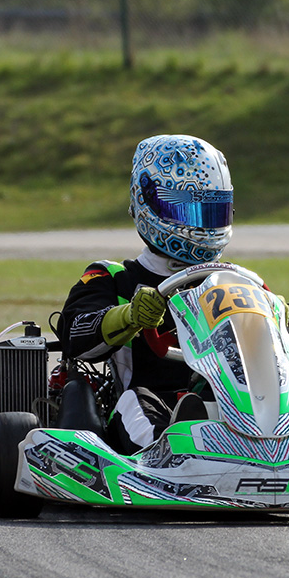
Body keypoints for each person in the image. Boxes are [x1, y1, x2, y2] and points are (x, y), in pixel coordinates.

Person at [57, 134, 234, 454]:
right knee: (137, 399)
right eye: (190, 212)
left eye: (212, 213)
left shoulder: (233, 280)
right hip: (150, 401)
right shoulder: (114, 278)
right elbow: (74, 332)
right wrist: (129, 316)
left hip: (229, 403)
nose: (202, 226)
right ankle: (169, 450)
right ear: (149, 202)